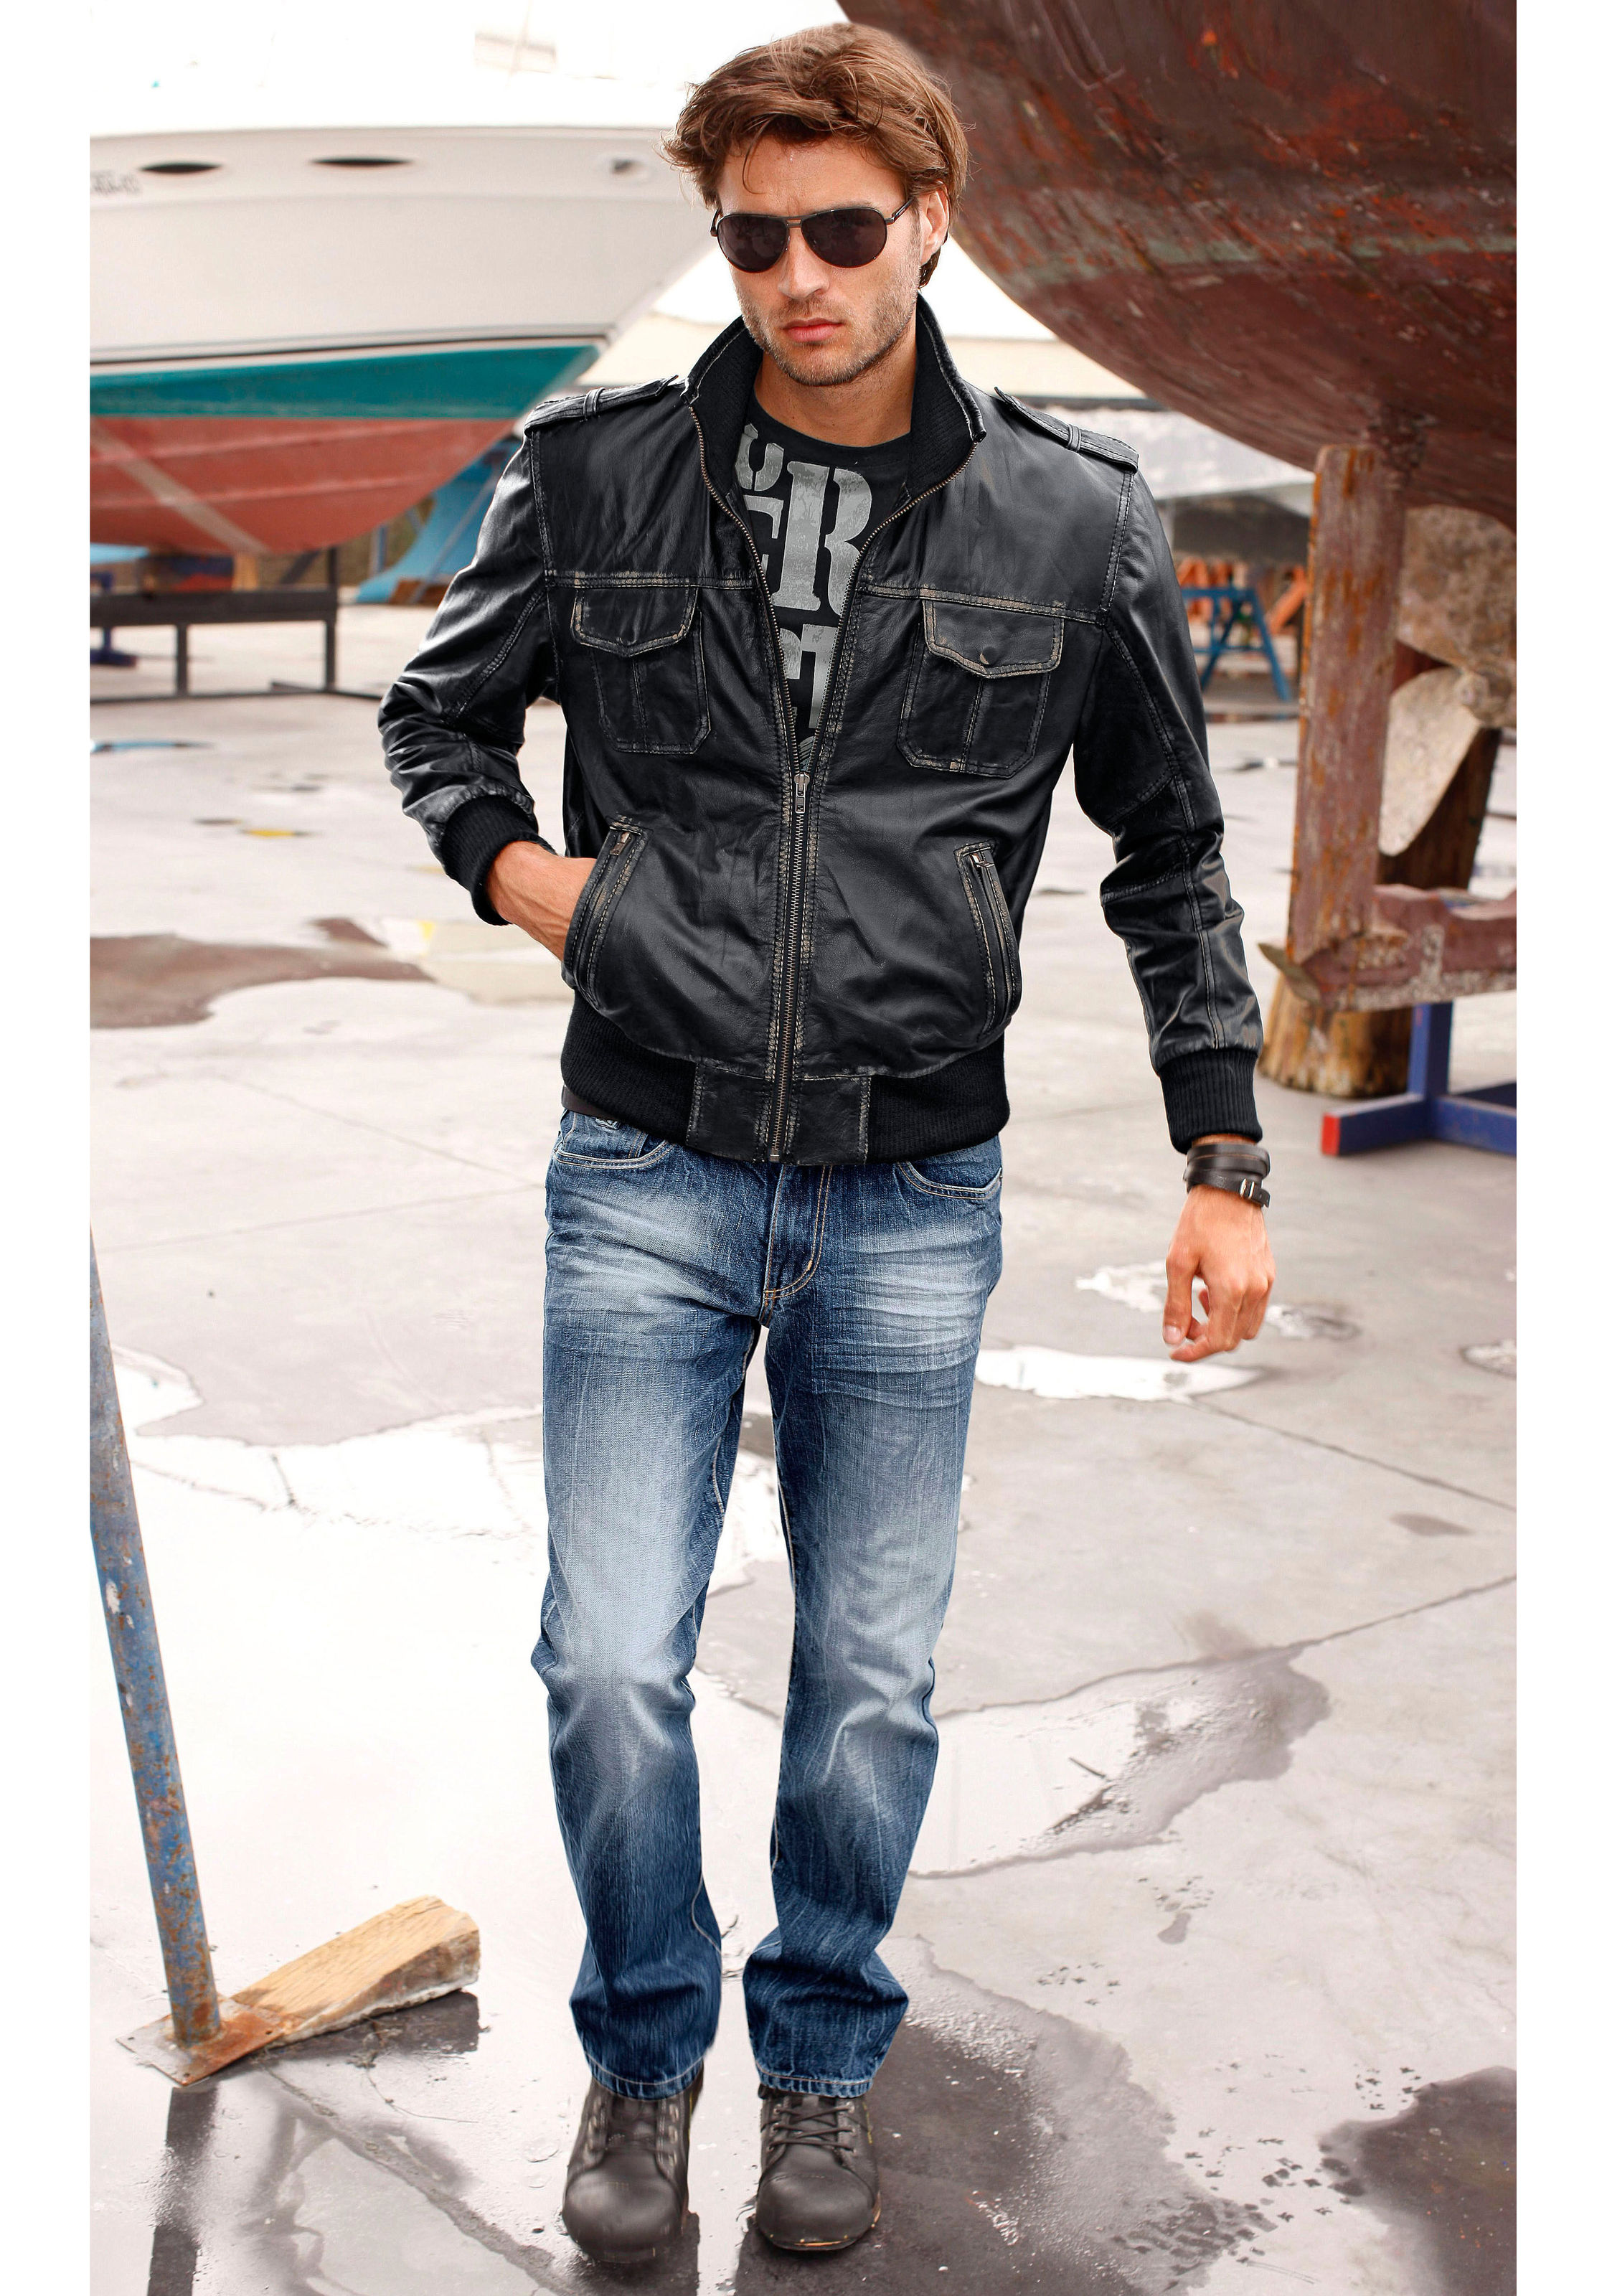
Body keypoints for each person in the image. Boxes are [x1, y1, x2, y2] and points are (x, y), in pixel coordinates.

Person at [380, 22, 1274, 2267]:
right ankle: (645, 2050)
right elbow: (438, 717)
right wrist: (543, 887)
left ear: (929, 223)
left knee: (870, 1683)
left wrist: (1223, 1154)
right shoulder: (593, 474)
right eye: (754, 238)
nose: (797, 277)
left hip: (911, 1192)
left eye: (841, 231)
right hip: (646, 1168)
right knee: (610, 1664)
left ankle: (823, 2061)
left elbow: (1170, 849)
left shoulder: (1073, 516)